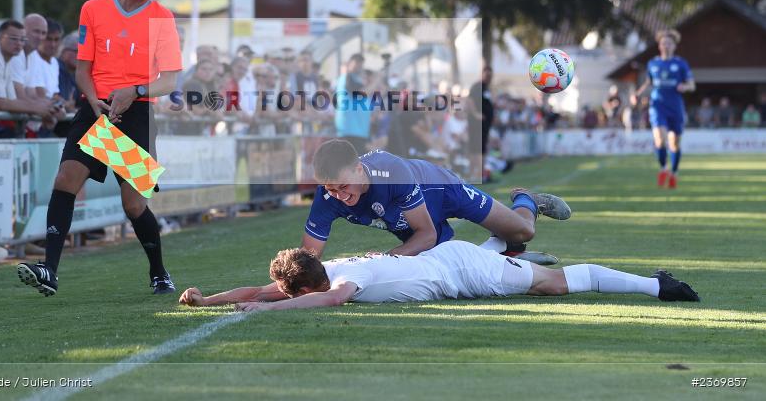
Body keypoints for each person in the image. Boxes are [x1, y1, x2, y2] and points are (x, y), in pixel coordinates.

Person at [16, 0, 182, 297]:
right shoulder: (93, 9)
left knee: (134, 204)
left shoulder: (163, 18)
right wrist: (94, 101)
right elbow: (82, 70)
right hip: (96, 109)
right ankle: (50, 270)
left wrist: (135, 91)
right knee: (65, 179)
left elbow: (170, 81)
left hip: (138, 112)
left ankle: (159, 272)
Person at [179, 241, 700, 311]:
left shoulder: (339, 285)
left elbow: (329, 302)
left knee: (554, 284)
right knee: (533, 271)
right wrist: (207, 301)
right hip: (447, 260)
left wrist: (267, 309)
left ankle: (659, 286)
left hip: (462, 270)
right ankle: (508, 248)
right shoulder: (324, 268)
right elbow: (257, 289)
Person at [302, 139, 571, 265]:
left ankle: (526, 200)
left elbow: (426, 234)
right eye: (330, 188)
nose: (338, 195)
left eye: (343, 186)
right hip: (408, 218)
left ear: (359, 169)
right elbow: (309, 258)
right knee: (443, 267)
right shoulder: (327, 196)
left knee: (524, 231)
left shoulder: (391, 173)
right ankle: (507, 251)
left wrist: (385, 259)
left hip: (442, 188)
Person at [630, 29, 695, 189]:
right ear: (659, 46)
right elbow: (648, 83)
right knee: (659, 139)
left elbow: (692, 85)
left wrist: (684, 86)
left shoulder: (681, 64)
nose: (666, 46)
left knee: (675, 144)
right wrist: (637, 94)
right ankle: (664, 169)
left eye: (669, 43)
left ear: (674, 46)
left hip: (676, 107)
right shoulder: (653, 64)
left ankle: (674, 172)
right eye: (663, 43)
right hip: (658, 106)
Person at [0, 20, 57, 137]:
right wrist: (40, 110)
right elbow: (0, 104)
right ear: (0, 37)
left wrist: (47, 110)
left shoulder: (8, 58)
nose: (19, 43)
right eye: (13, 38)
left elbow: (14, 101)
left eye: (22, 40)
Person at [334, 53, 372, 154]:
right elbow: (361, 94)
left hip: (359, 130)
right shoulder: (347, 78)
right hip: (350, 130)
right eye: (356, 62)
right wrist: (376, 81)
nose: (359, 66)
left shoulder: (355, 79)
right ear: (349, 63)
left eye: (361, 63)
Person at [467, 64, 493, 182]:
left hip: (485, 125)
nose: (489, 77)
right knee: (477, 149)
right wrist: (475, 114)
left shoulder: (487, 88)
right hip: (477, 125)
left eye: (490, 75)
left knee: (481, 149)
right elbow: (470, 100)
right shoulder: (477, 86)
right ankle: (479, 174)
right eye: (487, 74)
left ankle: (480, 174)